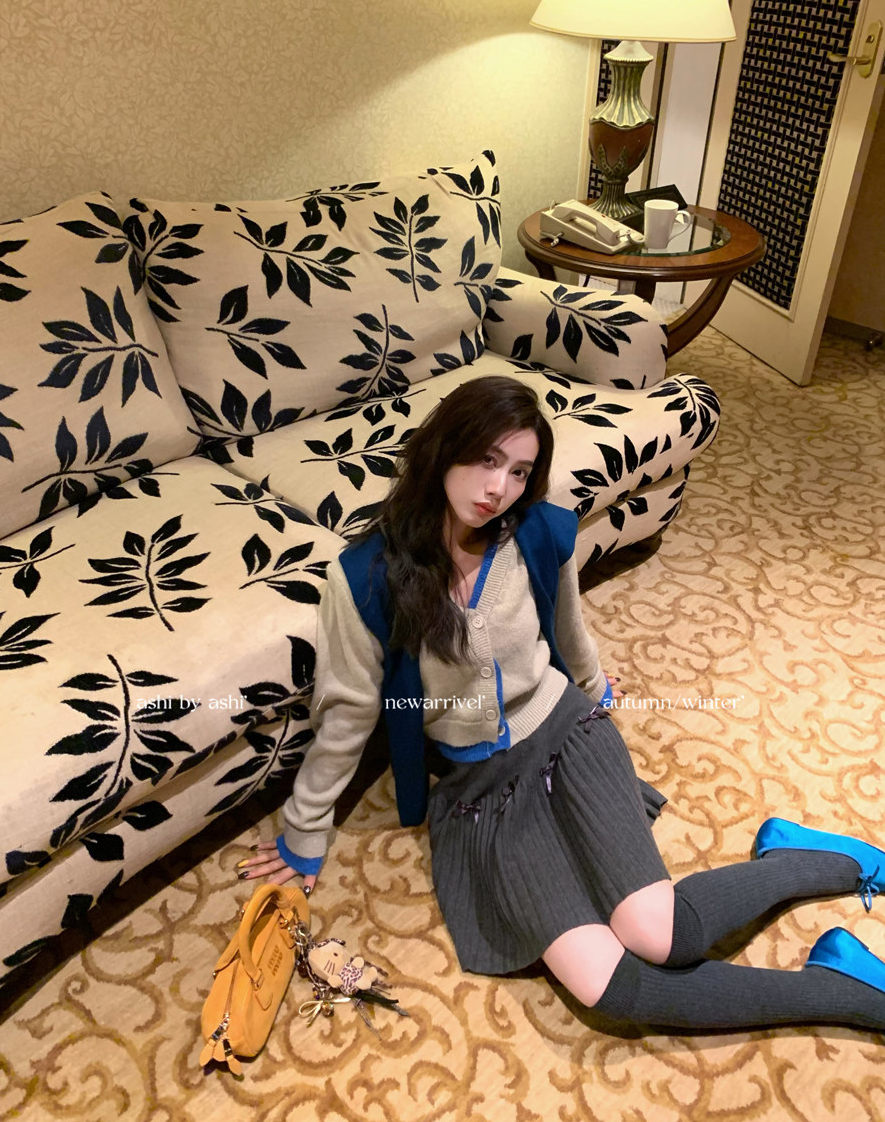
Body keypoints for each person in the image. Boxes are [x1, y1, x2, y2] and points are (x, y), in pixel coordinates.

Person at [238, 375, 885, 1032]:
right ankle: (836, 981)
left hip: (565, 734)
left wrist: (595, 686)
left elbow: (569, 628)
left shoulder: (538, 533)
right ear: (441, 449)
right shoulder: (364, 578)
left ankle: (809, 876)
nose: (499, 488)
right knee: (611, 988)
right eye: (485, 460)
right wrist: (304, 833)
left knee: (661, 933)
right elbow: (346, 715)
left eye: (519, 471)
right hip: (481, 791)